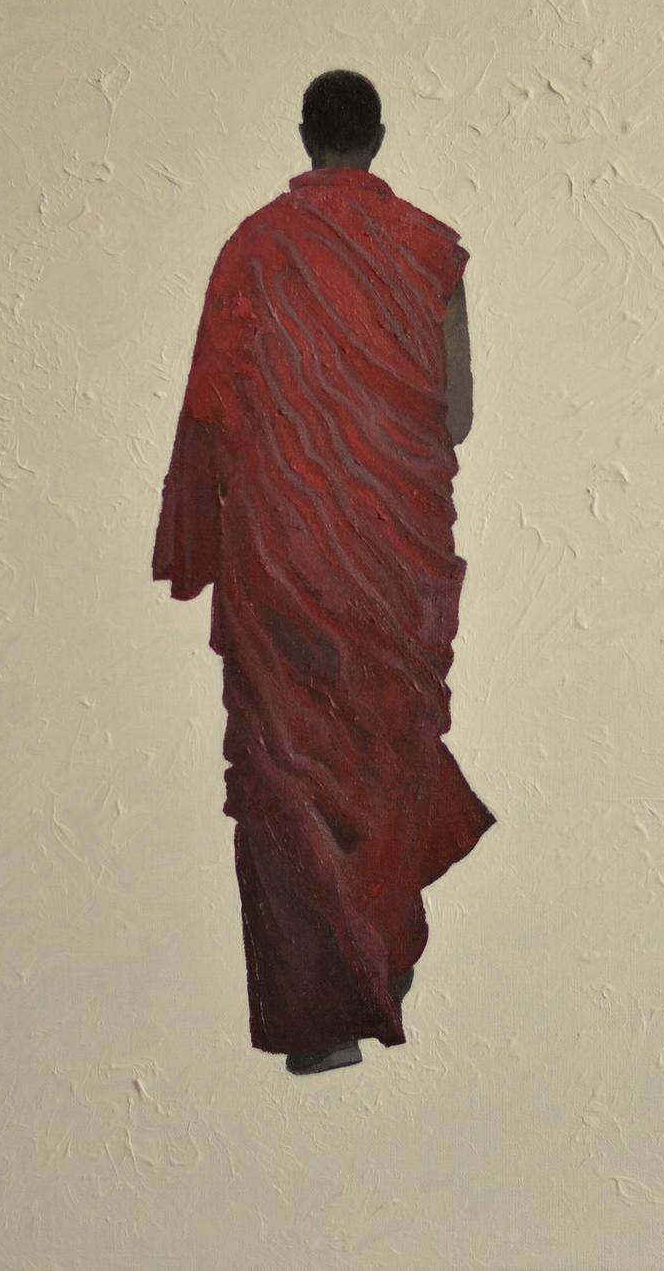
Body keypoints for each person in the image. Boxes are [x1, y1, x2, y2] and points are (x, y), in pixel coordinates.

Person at [152, 69, 497, 1075]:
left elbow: (209, 407)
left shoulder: (253, 248)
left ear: (305, 137)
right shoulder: (429, 252)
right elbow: (455, 416)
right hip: (389, 559)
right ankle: (379, 958)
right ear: (378, 139)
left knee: (288, 770)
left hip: (278, 552)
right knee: (379, 750)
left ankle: (322, 1024)